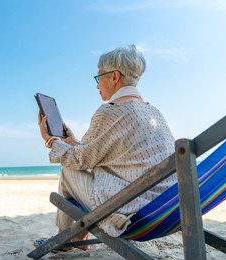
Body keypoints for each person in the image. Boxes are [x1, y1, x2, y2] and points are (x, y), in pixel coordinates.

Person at [38, 45, 177, 249]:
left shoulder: (111, 111)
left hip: (129, 213)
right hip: (165, 208)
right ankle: (77, 235)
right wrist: (73, 141)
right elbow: (112, 151)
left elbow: (79, 160)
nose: (97, 86)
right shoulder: (154, 113)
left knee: (68, 171)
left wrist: (50, 140)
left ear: (114, 77)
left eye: (98, 77)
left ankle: (69, 239)